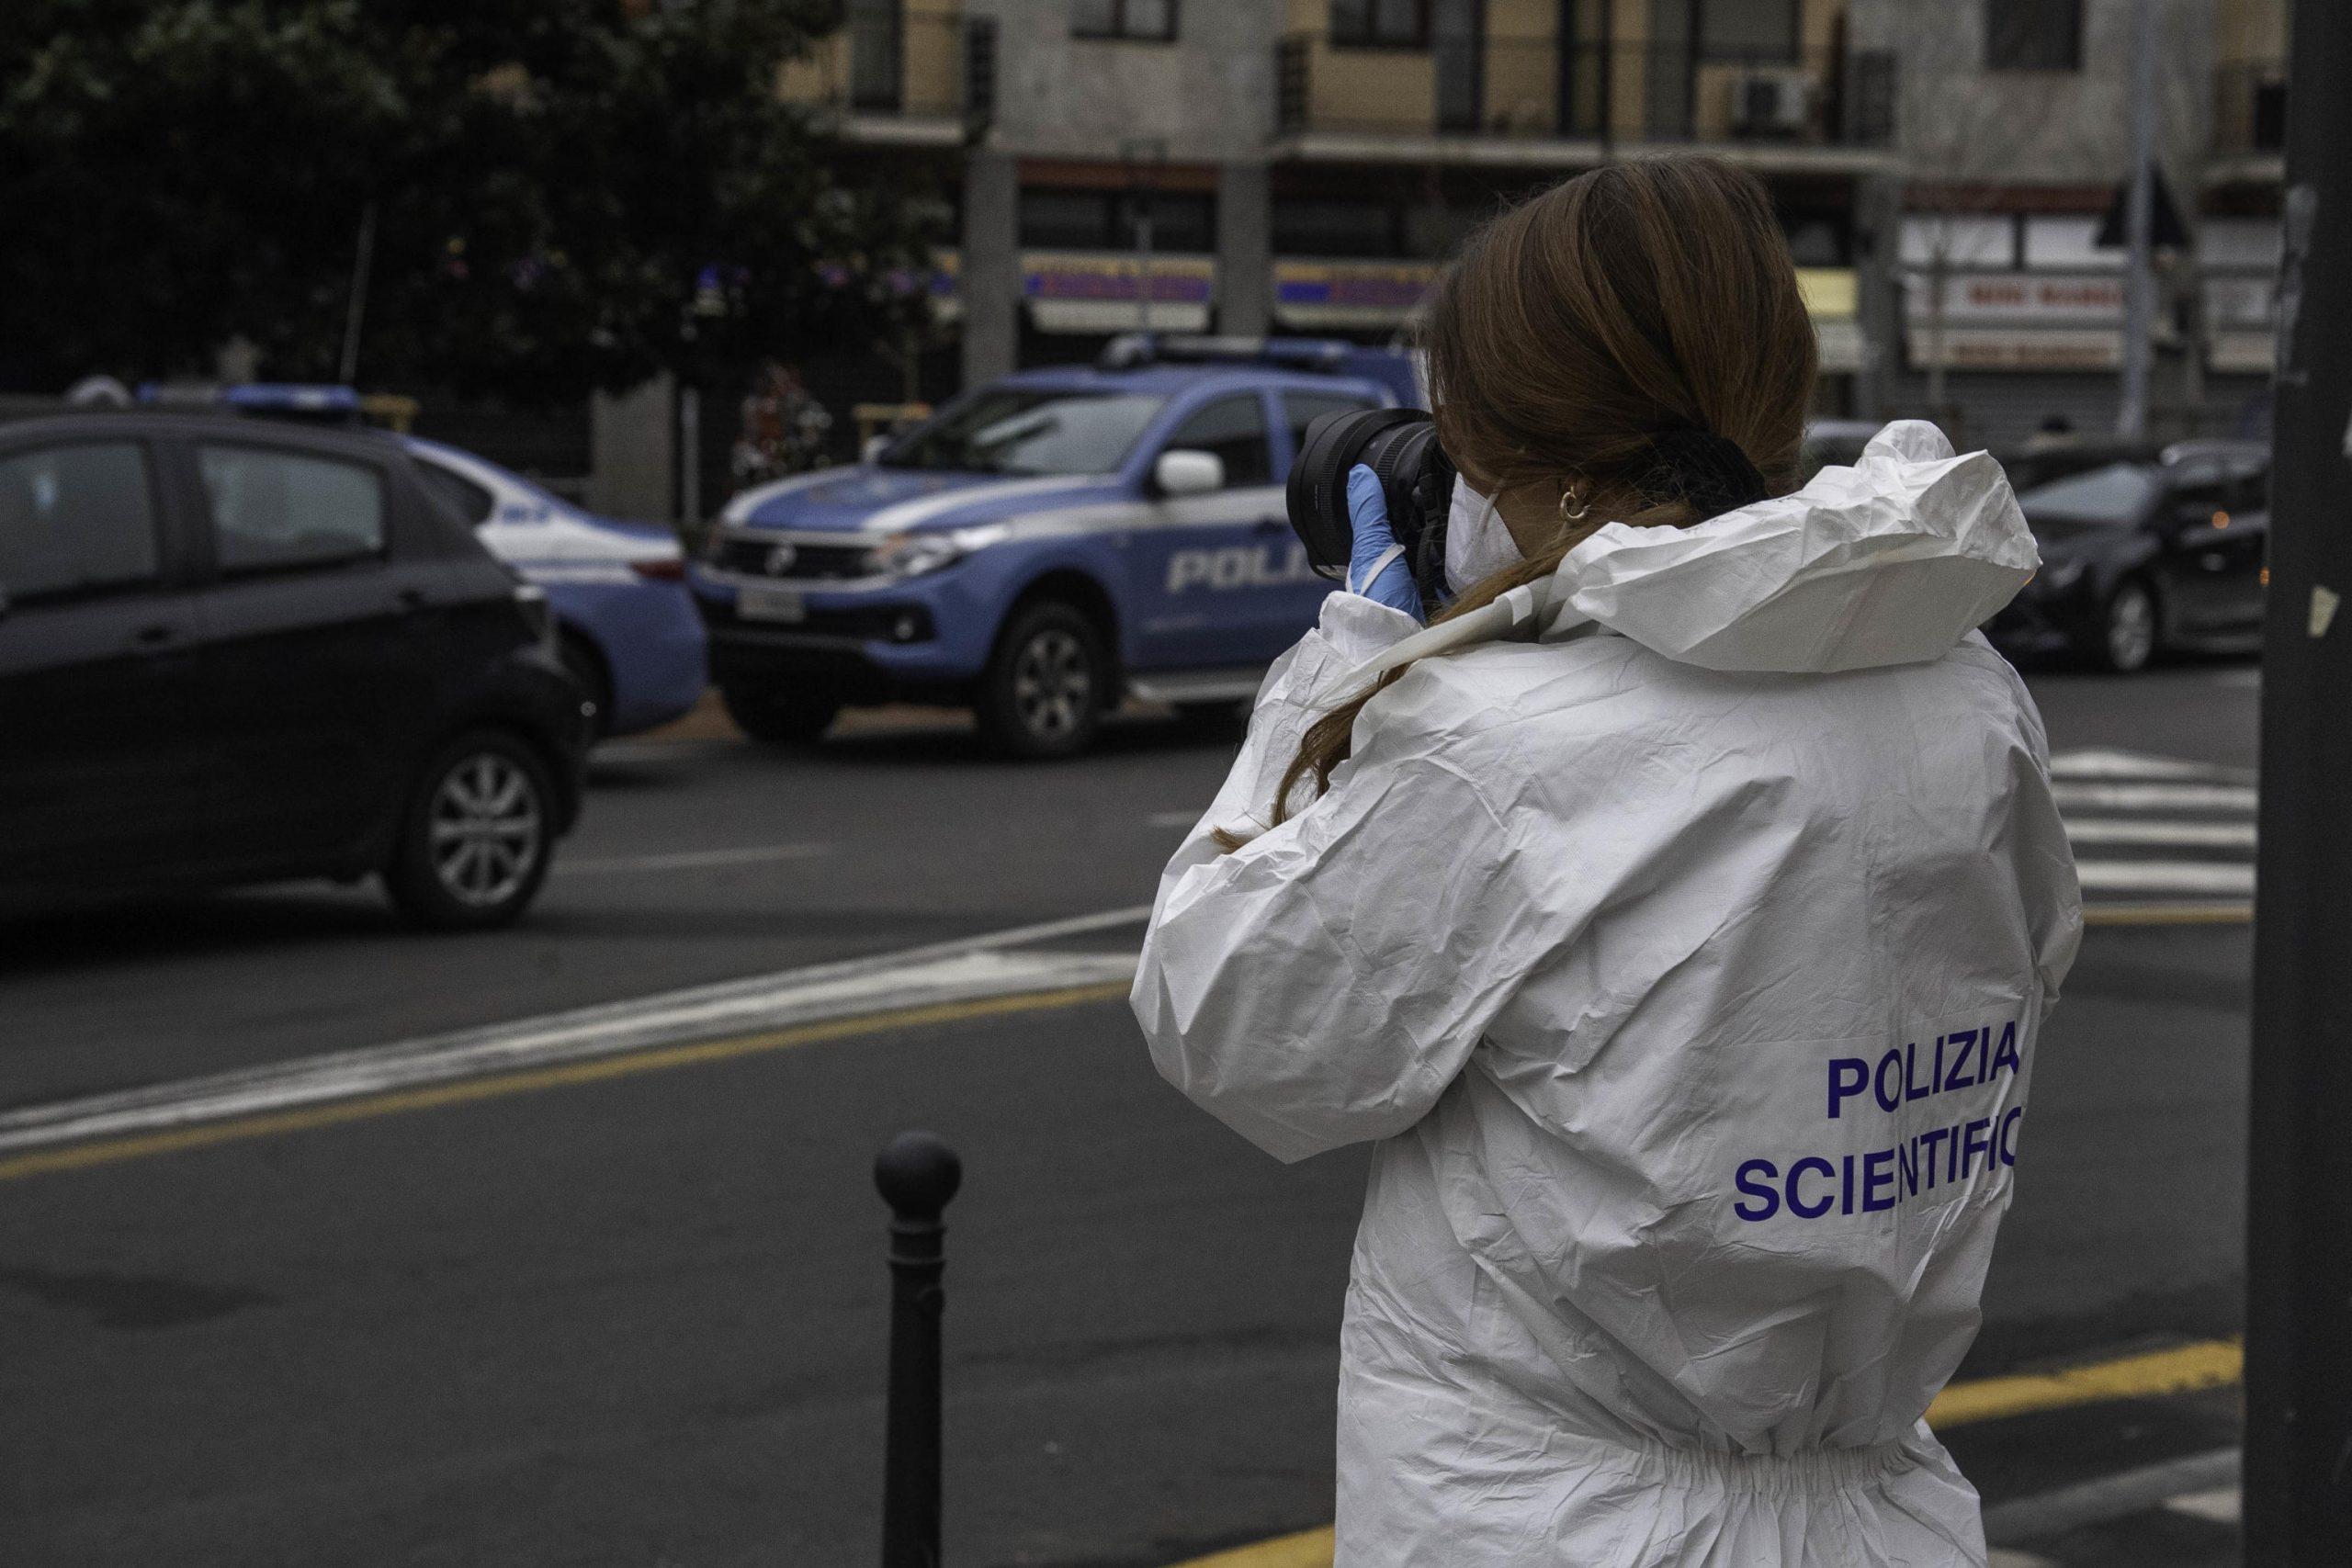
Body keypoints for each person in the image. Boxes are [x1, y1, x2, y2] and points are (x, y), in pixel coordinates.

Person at [1131, 157, 2082, 1566]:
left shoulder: (1497, 742)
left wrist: (1350, 659)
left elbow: (1232, 1025)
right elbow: (2027, 969)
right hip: (1879, 1517)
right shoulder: (1967, 693)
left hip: (1550, 1523)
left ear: (1521, 453)